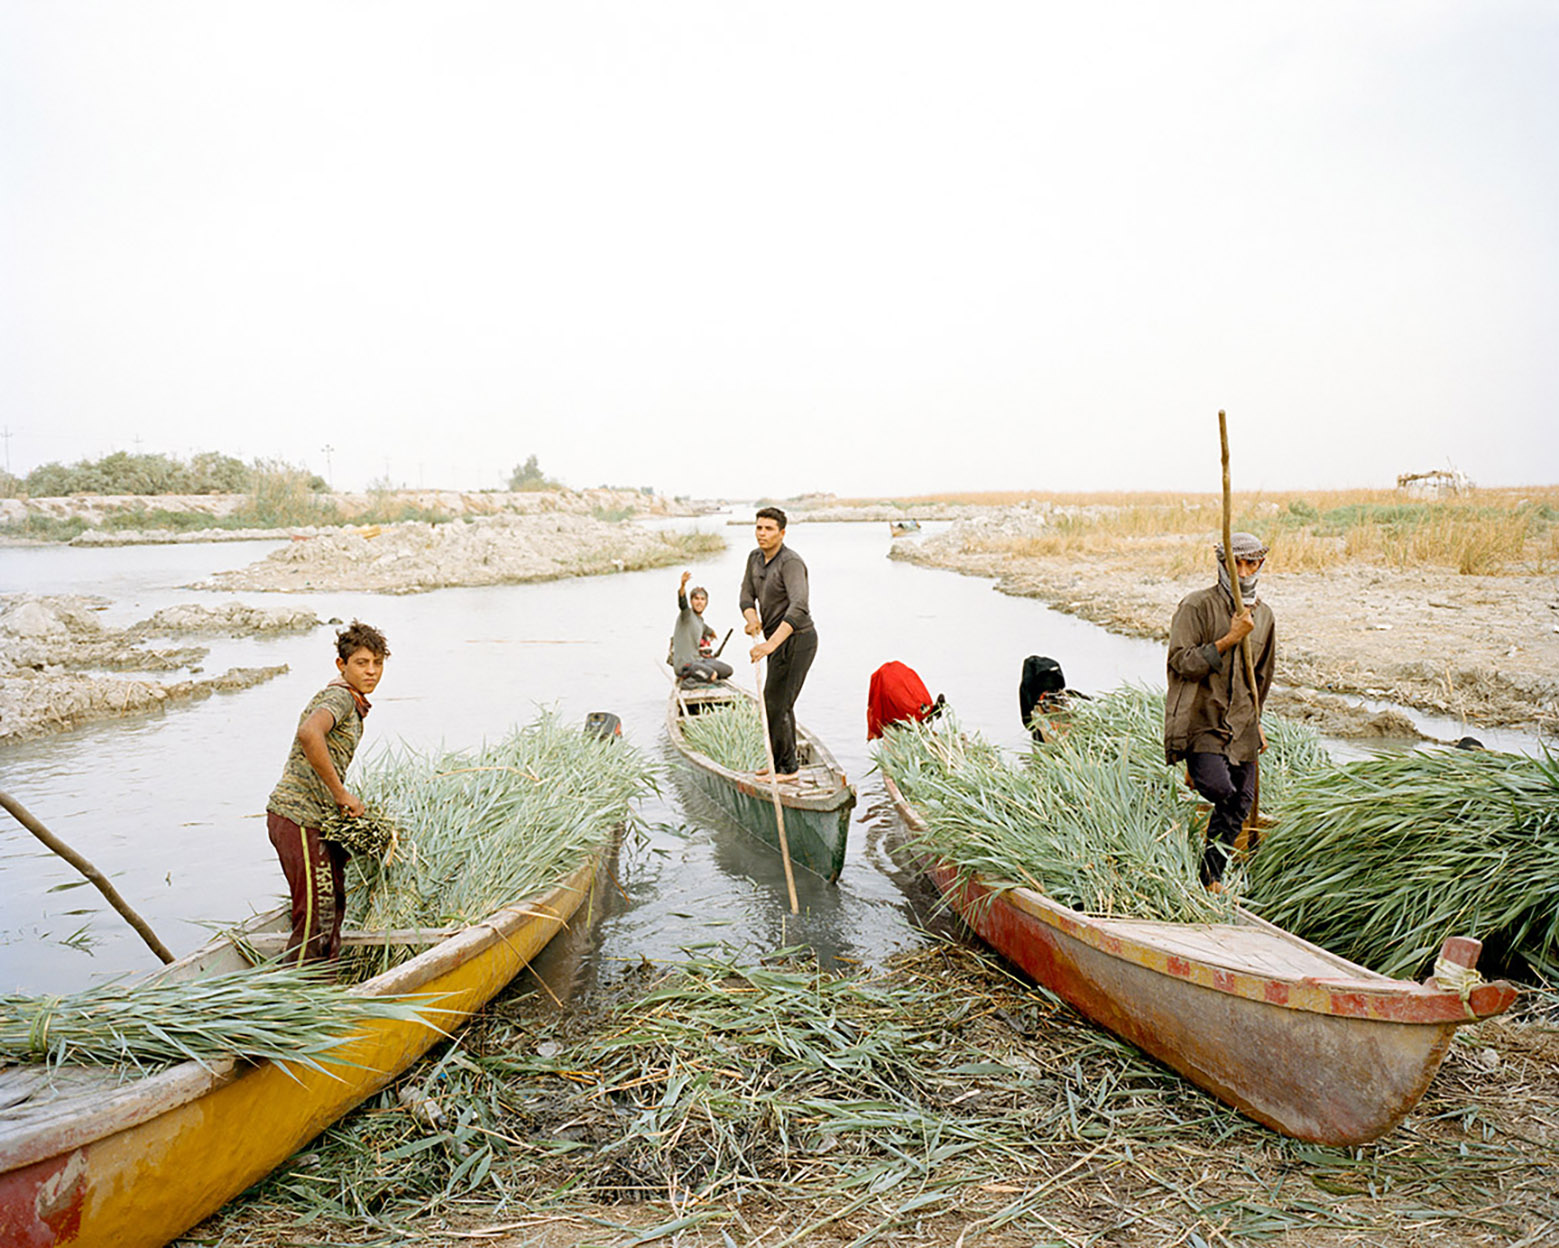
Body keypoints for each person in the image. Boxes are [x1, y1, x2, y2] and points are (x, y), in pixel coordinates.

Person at [265, 620, 390, 963]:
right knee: (316, 918)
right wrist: (340, 794)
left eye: (377, 663)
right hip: (298, 817)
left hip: (316, 820)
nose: (372, 671)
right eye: (362, 663)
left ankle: (325, 984)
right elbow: (309, 733)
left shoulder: (351, 700)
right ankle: (302, 998)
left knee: (332, 902)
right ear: (342, 665)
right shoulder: (339, 698)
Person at [1164, 532, 1276, 890]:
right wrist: (1228, 638)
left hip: (1242, 724)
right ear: (1222, 563)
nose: (1243, 572)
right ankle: (1198, 771)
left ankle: (1210, 877)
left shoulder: (1266, 616)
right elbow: (1181, 663)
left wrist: (1256, 722)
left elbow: (1262, 676)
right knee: (1221, 791)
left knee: (1241, 803)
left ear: (1260, 564)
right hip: (1203, 722)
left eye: (1251, 563)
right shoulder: (1196, 606)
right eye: (1236, 563)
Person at [740, 507, 816, 780]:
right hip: (774, 639)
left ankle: (788, 769)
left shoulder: (791, 562)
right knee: (774, 701)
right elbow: (746, 598)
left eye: (769, 528)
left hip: (797, 640)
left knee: (778, 702)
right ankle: (779, 763)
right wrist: (752, 620)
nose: (762, 533)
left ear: (782, 533)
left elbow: (799, 608)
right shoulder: (754, 558)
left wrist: (769, 645)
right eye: (759, 527)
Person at [670, 569, 732, 683]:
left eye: (702, 599)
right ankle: (691, 679)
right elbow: (682, 602)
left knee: (727, 671)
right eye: (696, 599)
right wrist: (682, 585)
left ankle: (703, 673)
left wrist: (712, 633)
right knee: (712, 675)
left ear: (706, 603)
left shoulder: (700, 621)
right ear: (692, 601)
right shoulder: (687, 615)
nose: (699, 602)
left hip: (698, 661)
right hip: (685, 665)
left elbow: (705, 628)